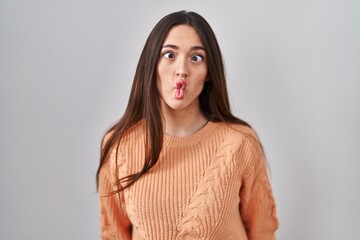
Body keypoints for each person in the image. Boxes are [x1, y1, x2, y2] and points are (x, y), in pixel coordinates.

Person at [96, 10, 279, 240]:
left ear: (209, 72)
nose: (182, 70)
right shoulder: (119, 145)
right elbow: (114, 233)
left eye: (196, 58)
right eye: (169, 55)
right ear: (151, 64)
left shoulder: (240, 143)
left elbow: (262, 231)